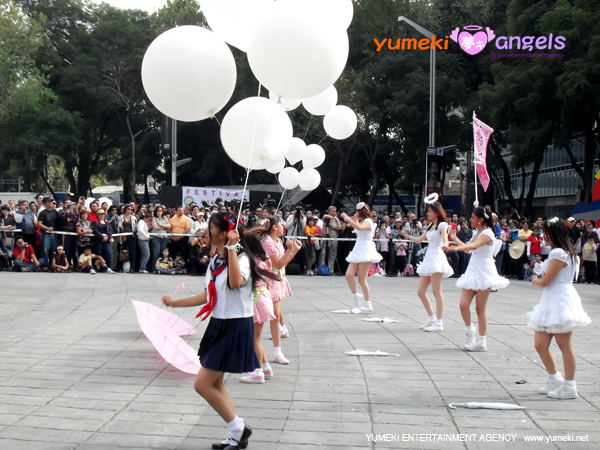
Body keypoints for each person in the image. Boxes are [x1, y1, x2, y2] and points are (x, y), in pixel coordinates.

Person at [161, 212, 277, 449]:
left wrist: (233, 249)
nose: (206, 231)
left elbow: (236, 283)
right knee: (215, 385)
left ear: (224, 234)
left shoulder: (243, 258)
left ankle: (238, 427)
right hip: (218, 325)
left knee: (202, 384)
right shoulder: (214, 260)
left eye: (210, 228)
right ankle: (237, 434)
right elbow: (206, 296)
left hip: (235, 326)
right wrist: (175, 303)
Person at [528, 217, 591, 399]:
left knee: (564, 345)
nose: (543, 235)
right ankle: (554, 378)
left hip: (560, 299)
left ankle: (570, 385)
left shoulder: (559, 254)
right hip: (552, 298)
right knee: (540, 344)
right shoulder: (562, 252)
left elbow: (545, 280)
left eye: (545, 232)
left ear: (554, 233)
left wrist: (536, 280)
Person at [447, 206, 509, 351]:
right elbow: (469, 249)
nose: (470, 220)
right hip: (473, 269)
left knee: (480, 308)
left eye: (473, 218)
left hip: (484, 271)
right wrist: (454, 238)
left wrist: (456, 248)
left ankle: (482, 341)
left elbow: (474, 246)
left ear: (481, 220)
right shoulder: (477, 233)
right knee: (463, 305)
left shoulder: (487, 233)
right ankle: (470, 330)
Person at [248, 216, 302, 364]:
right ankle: (272, 353)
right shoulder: (267, 242)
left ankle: (277, 352)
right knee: (273, 316)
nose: (282, 227)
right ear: (274, 227)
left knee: (275, 316)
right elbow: (278, 264)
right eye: (280, 224)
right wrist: (292, 250)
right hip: (269, 280)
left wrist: (292, 251)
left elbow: (282, 263)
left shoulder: (277, 241)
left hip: (277, 279)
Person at [401, 198, 453, 331]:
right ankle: (432, 318)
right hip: (429, 257)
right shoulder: (430, 226)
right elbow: (419, 239)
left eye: (430, 211)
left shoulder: (442, 225)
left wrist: (445, 245)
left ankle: (439, 322)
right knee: (421, 291)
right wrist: (406, 235)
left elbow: (445, 239)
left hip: (437, 257)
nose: (428, 214)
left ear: (436, 212)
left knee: (437, 292)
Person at [240, 233, 279, 384]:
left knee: (253, 338)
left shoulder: (249, 262)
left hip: (256, 300)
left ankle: (257, 371)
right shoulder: (263, 260)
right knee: (256, 337)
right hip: (264, 298)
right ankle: (265, 366)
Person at [340, 202, 382, 313]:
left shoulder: (368, 221)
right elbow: (357, 226)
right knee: (349, 275)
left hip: (366, 249)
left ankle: (368, 303)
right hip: (358, 248)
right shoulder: (363, 221)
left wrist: (347, 218)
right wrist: (354, 219)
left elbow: (358, 227)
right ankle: (356, 296)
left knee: (362, 279)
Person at [319, 206, 342, 274]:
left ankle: (330, 270)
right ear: (330, 211)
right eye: (333, 211)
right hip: (326, 236)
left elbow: (339, 228)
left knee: (332, 254)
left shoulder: (337, 219)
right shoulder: (326, 216)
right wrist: (333, 218)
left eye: (335, 211)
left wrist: (334, 226)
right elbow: (325, 217)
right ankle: (321, 268)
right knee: (323, 253)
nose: (335, 212)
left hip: (333, 237)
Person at [91, 209, 115, 274]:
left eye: (103, 214)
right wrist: (102, 237)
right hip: (98, 240)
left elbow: (110, 230)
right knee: (99, 254)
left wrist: (107, 236)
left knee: (108, 252)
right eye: (100, 214)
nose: (102, 215)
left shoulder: (107, 222)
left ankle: (109, 267)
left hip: (106, 240)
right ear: (98, 215)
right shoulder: (95, 222)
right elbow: (95, 231)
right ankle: (97, 267)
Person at [37, 197, 60, 264]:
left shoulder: (55, 212)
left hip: (54, 234)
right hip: (46, 234)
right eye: (49, 202)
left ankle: (52, 264)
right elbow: (39, 224)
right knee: (45, 250)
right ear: (45, 203)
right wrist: (47, 228)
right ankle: (45, 265)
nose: (50, 203)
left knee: (53, 250)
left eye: (51, 202)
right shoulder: (43, 213)